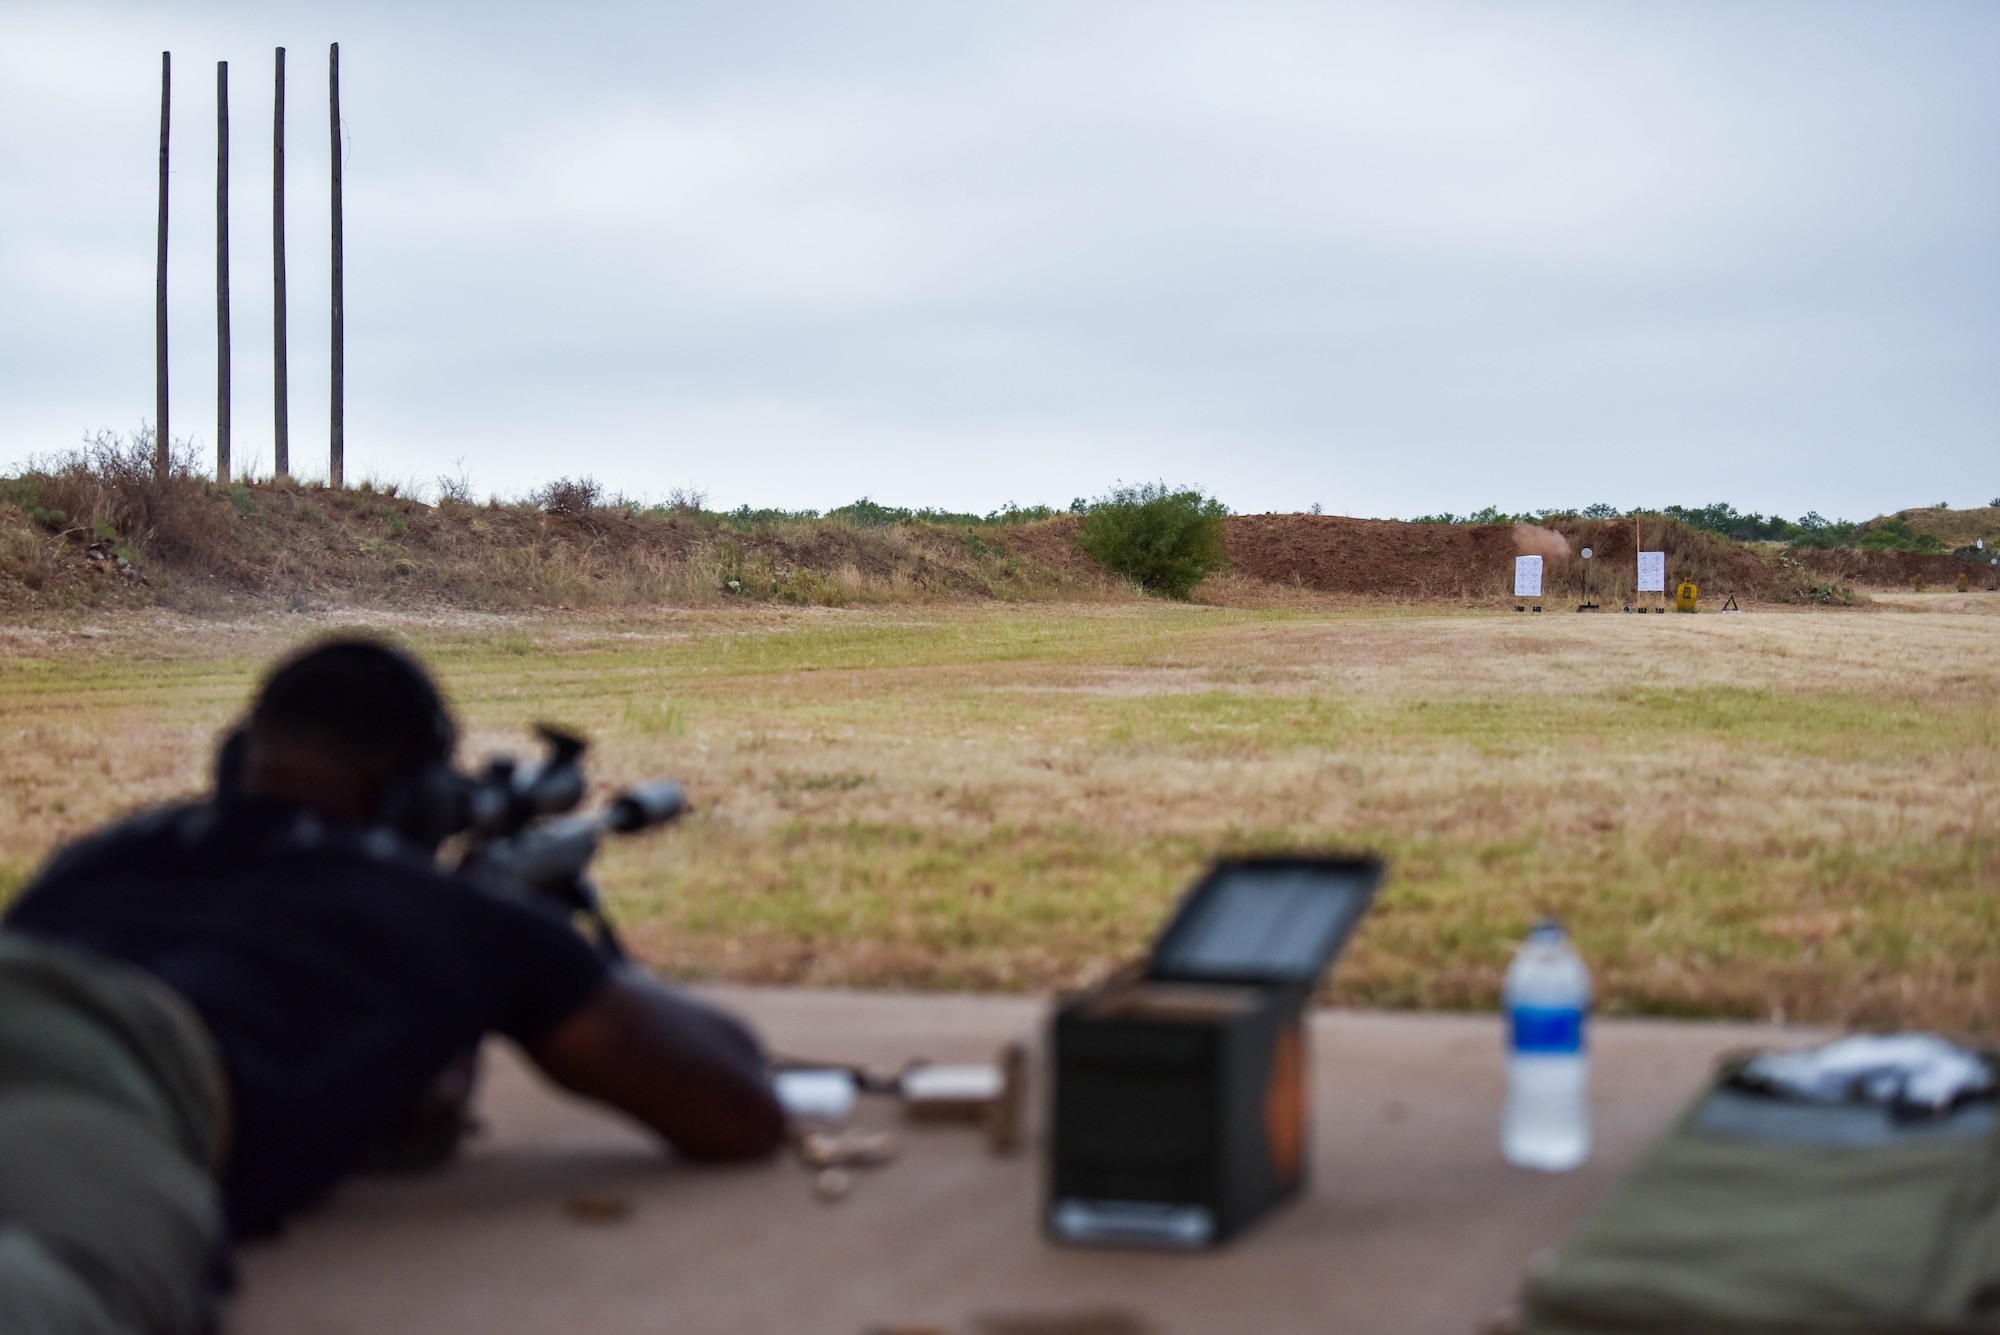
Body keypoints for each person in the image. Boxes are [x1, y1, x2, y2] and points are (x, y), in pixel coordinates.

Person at [0, 638, 785, 1334]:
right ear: (421, 800)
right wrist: (522, 946)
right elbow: (735, 1103)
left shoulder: (109, 850)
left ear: (242, 759)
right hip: (111, 1076)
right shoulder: (435, 909)